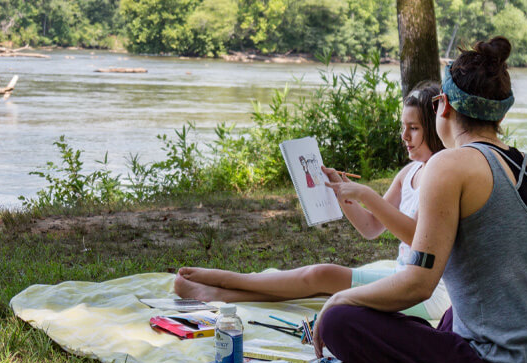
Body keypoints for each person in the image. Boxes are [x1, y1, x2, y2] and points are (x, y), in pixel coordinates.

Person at [313, 36, 527, 363]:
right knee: (452, 315)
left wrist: (340, 298)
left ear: (443, 106)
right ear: (499, 115)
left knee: (340, 321)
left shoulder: (446, 164)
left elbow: (417, 284)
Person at [174, 82, 451, 322]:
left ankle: (225, 280)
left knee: (321, 276)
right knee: (320, 283)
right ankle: (220, 293)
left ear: (435, 128)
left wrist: (367, 195)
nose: (404, 137)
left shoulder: (440, 175)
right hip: (404, 275)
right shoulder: (410, 172)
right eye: (403, 127)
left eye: (413, 128)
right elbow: (370, 228)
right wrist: (342, 193)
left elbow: (420, 239)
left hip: (428, 292)